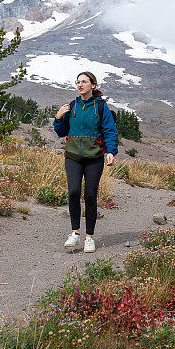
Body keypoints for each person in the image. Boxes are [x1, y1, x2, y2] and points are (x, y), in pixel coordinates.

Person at [53, 71, 118, 253]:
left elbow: (110, 131)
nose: (80, 85)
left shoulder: (101, 107)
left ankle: (89, 237)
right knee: (73, 191)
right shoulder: (72, 106)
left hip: (94, 157)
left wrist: (111, 151)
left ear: (93, 85)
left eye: (84, 82)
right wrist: (58, 117)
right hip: (72, 156)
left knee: (90, 195)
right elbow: (61, 131)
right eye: (78, 82)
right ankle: (75, 233)